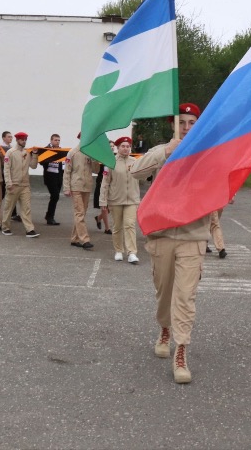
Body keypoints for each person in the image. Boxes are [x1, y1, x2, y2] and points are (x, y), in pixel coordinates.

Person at [130, 103, 211, 384]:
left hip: (193, 235)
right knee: (164, 292)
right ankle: (165, 328)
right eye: (182, 123)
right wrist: (166, 151)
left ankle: (181, 350)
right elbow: (135, 171)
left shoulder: (207, 152)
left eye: (192, 123)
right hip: (162, 234)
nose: (187, 128)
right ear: (173, 126)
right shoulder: (161, 151)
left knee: (186, 296)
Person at [99, 136, 141, 263]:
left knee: (130, 225)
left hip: (132, 200)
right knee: (117, 226)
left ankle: (132, 253)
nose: (126, 148)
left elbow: (144, 175)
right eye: (123, 146)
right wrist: (103, 201)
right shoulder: (110, 162)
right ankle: (118, 250)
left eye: (128, 146)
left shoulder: (135, 161)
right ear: (117, 148)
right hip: (116, 199)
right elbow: (105, 182)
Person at [63, 135, 100, 250]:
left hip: (87, 186)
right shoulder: (72, 152)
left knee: (81, 214)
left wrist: (94, 159)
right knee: (79, 213)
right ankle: (84, 239)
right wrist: (66, 187)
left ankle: (74, 238)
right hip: (76, 186)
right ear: (80, 138)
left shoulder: (91, 152)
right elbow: (67, 171)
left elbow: (96, 170)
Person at [1, 132, 40, 238]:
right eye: (22, 139)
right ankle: (5, 227)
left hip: (25, 185)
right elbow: (6, 169)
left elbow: (33, 166)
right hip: (14, 184)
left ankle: (29, 229)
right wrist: (8, 183)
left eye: (25, 139)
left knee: (26, 208)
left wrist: (35, 154)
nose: (24, 141)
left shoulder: (27, 153)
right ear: (17, 140)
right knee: (9, 207)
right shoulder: (10, 152)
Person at [41, 133, 64, 225]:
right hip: (50, 176)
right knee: (55, 196)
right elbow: (41, 162)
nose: (57, 142)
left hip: (59, 176)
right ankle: (50, 217)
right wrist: (51, 157)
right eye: (55, 140)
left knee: (55, 196)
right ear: (51, 140)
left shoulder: (61, 150)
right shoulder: (46, 149)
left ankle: (49, 215)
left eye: (58, 140)